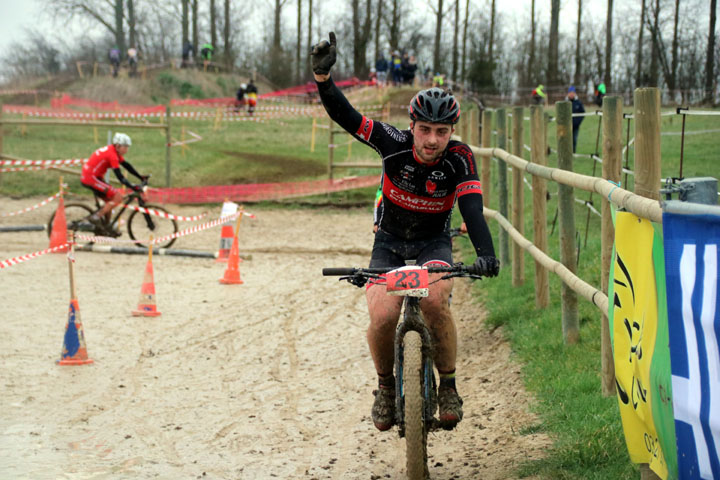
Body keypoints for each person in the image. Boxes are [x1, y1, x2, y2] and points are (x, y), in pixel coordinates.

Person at [311, 32, 499, 432]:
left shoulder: (460, 158)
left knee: (433, 301)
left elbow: (472, 209)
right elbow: (347, 117)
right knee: (382, 315)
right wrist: (323, 80)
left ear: (451, 132)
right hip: (390, 243)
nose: (433, 140)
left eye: (442, 132)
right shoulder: (392, 143)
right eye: (425, 129)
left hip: (434, 241)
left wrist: (487, 254)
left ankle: (447, 384)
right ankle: (384, 387)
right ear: (412, 125)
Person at [80, 133, 147, 233]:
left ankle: (106, 227)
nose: (127, 150)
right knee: (117, 197)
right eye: (125, 147)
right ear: (118, 145)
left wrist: (140, 176)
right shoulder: (112, 155)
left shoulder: (113, 150)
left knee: (110, 201)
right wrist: (132, 186)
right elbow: (120, 177)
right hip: (91, 178)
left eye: (128, 147)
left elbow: (127, 166)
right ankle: (96, 217)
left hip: (93, 177)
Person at [567, 86, 585, 153]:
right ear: (568, 94)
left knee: (574, 140)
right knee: (567, 140)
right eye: (570, 93)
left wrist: (577, 122)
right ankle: (567, 152)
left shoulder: (578, 103)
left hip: (575, 126)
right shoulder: (565, 102)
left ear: (575, 94)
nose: (571, 94)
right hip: (567, 126)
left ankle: (573, 153)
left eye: (573, 93)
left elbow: (583, 113)